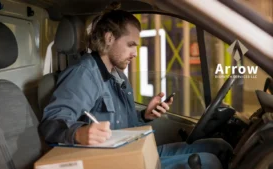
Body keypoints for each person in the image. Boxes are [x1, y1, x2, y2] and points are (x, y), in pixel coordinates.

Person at [39, 4, 232, 169]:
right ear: (109, 38)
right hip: (117, 161)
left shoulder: (117, 75)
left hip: (135, 148)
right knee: (209, 162)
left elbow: (125, 128)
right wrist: (78, 133)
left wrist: (144, 116)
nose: (135, 53)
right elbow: (51, 124)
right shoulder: (84, 74)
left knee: (220, 146)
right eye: (130, 45)